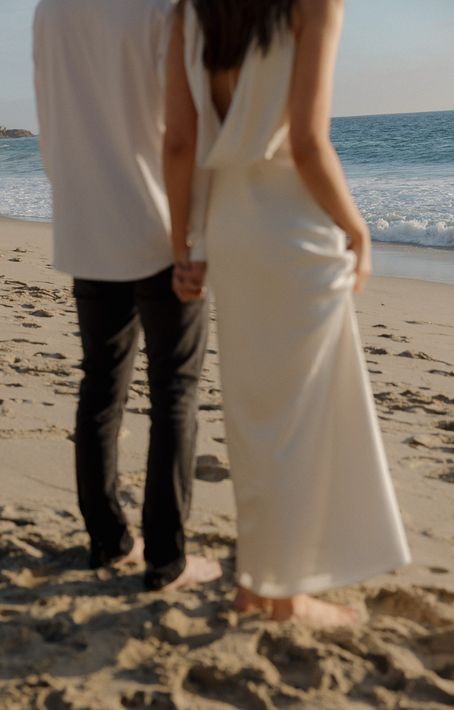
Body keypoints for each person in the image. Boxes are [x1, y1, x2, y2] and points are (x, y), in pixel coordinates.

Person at [163, 0, 410, 626]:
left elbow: (181, 141)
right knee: (303, 418)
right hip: (292, 230)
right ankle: (286, 595)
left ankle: (257, 582)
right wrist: (359, 230)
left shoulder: (190, 12)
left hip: (232, 226)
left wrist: (185, 247)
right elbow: (306, 142)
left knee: (255, 416)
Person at [33, 0, 221, 591]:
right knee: (174, 394)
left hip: (87, 224)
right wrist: (190, 237)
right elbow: (180, 137)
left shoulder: (48, 11)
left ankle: (108, 543)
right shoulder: (163, 7)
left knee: (100, 388)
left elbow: (54, 120)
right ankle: (167, 561)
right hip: (157, 227)